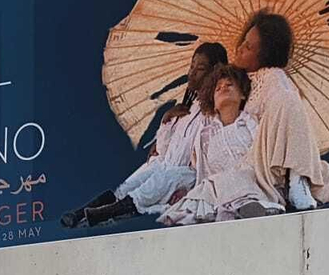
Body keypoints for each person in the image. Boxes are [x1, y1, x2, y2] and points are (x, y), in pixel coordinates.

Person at [63, 42, 230, 228]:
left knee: (162, 180)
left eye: (200, 69)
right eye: (191, 66)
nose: (191, 73)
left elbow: (204, 158)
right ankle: (82, 213)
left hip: (186, 174)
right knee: (140, 177)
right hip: (166, 165)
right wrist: (166, 121)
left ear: (215, 71)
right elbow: (164, 151)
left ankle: (106, 213)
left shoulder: (213, 111)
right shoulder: (186, 107)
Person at [230, 11, 329, 215]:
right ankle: (296, 176)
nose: (240, 48)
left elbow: (282, 112)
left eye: (249, 47)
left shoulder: (272, 77)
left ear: (264, 56)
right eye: (243, 42)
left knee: (287, 98)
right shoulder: (232, 78)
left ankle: (298, 178)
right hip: (239, 156)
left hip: (266, 155)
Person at [161, 65, 261, 226]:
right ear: (213, 103)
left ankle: (246, 207)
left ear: (242, 94)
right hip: (217, 189)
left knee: (241, 178)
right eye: (218, 88)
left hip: (251, 181)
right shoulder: (205, 135)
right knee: (204, 192)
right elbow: (201, 170)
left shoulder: (251, 124)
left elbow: (262, 154)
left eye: (229, 85)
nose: (223, 89)